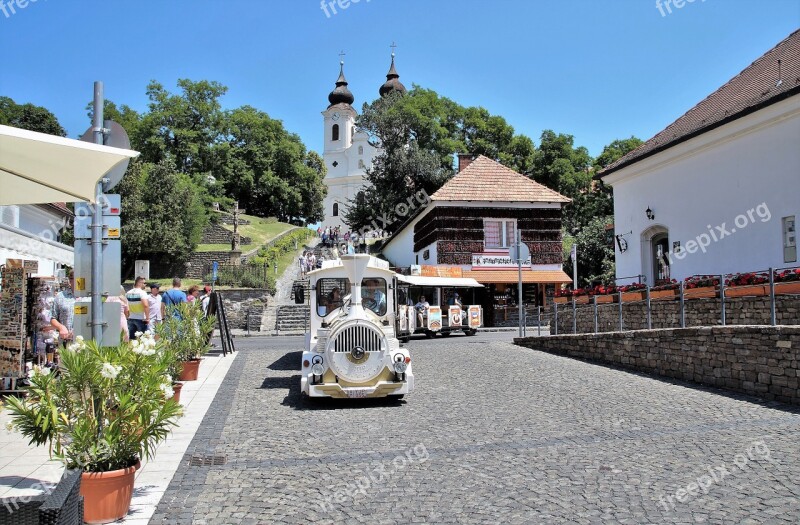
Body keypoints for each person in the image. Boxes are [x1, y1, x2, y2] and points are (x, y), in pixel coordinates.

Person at [51, 270, 76, 348]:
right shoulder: (60, 296)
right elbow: (53, 318)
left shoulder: (90, 297)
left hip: (86, 343)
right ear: (70, 280)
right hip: (66, 343)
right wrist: (61, 327)